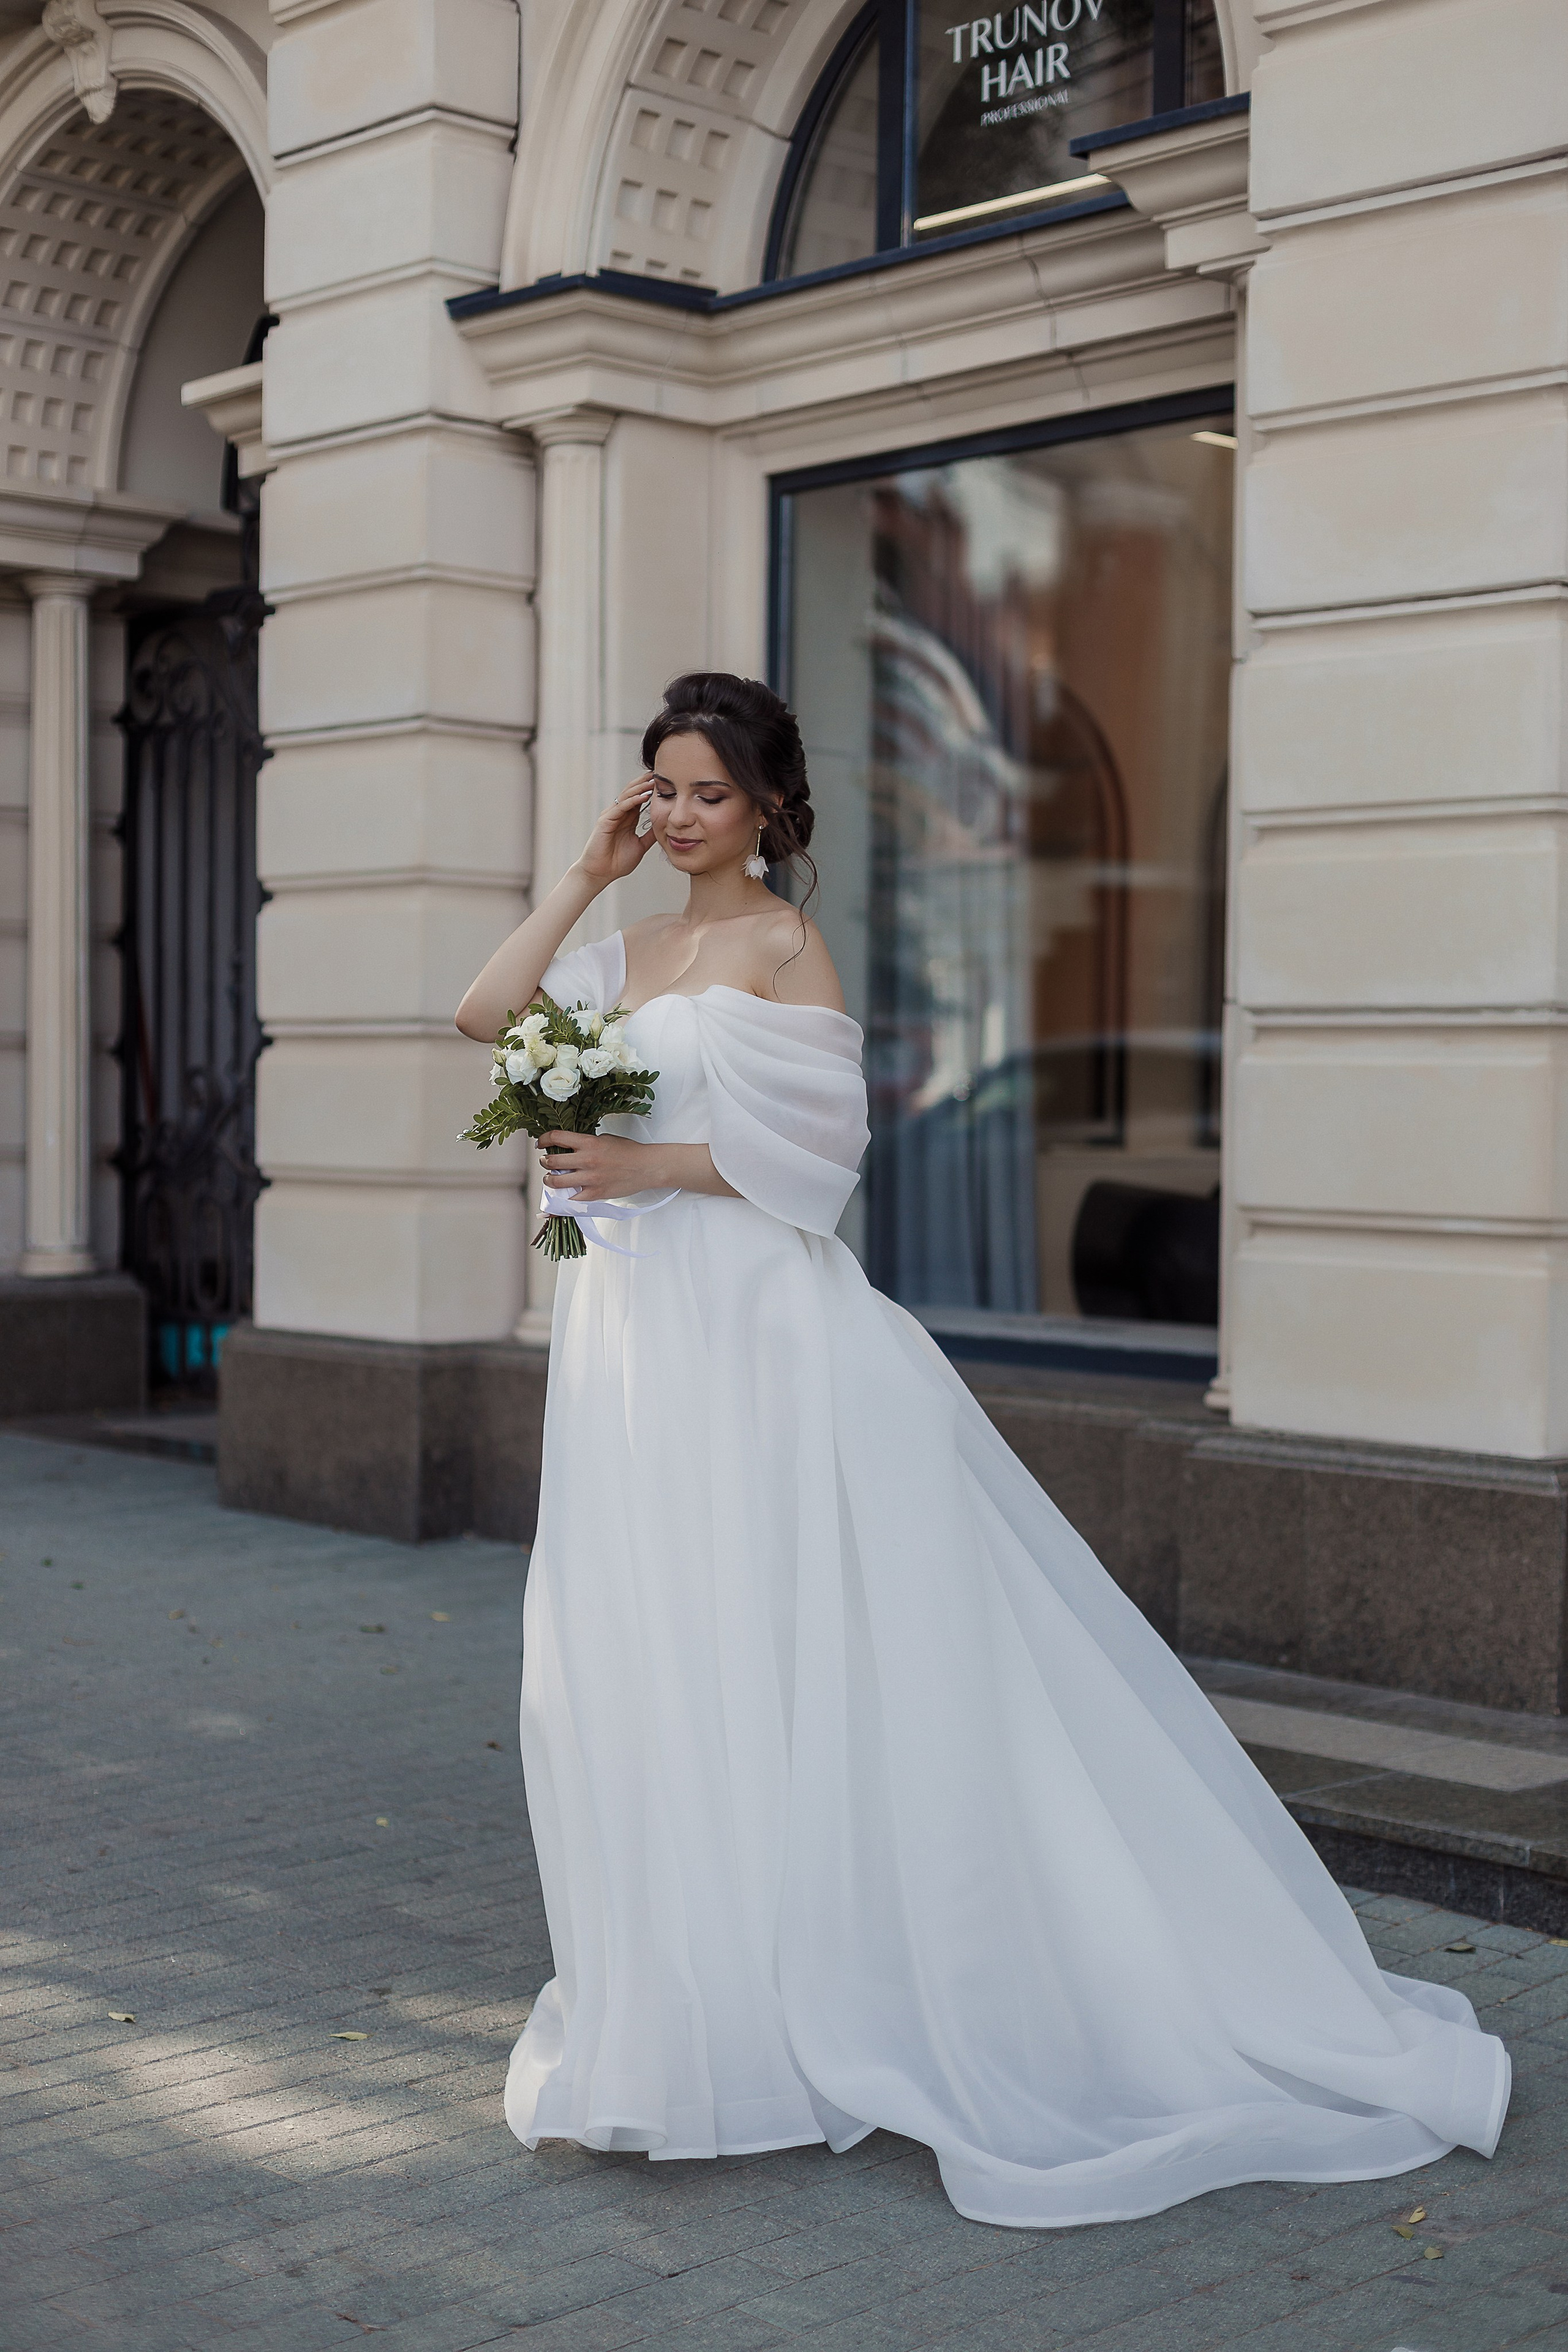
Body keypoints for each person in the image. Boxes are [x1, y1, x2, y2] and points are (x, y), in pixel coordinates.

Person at [455, 671, 1509, 2231]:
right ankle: (712, 2007)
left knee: (808, 1646)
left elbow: (819, 1159)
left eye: (706, 795)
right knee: (656, 1651)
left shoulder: (778, 942)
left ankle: (888, 1980)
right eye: (660, 789)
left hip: (758, 1339)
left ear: (769, 813)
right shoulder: (626, 941)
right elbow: (484, 1018)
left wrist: (642, 1162)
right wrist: (581, 878)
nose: (678, 817)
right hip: (638, 1353)